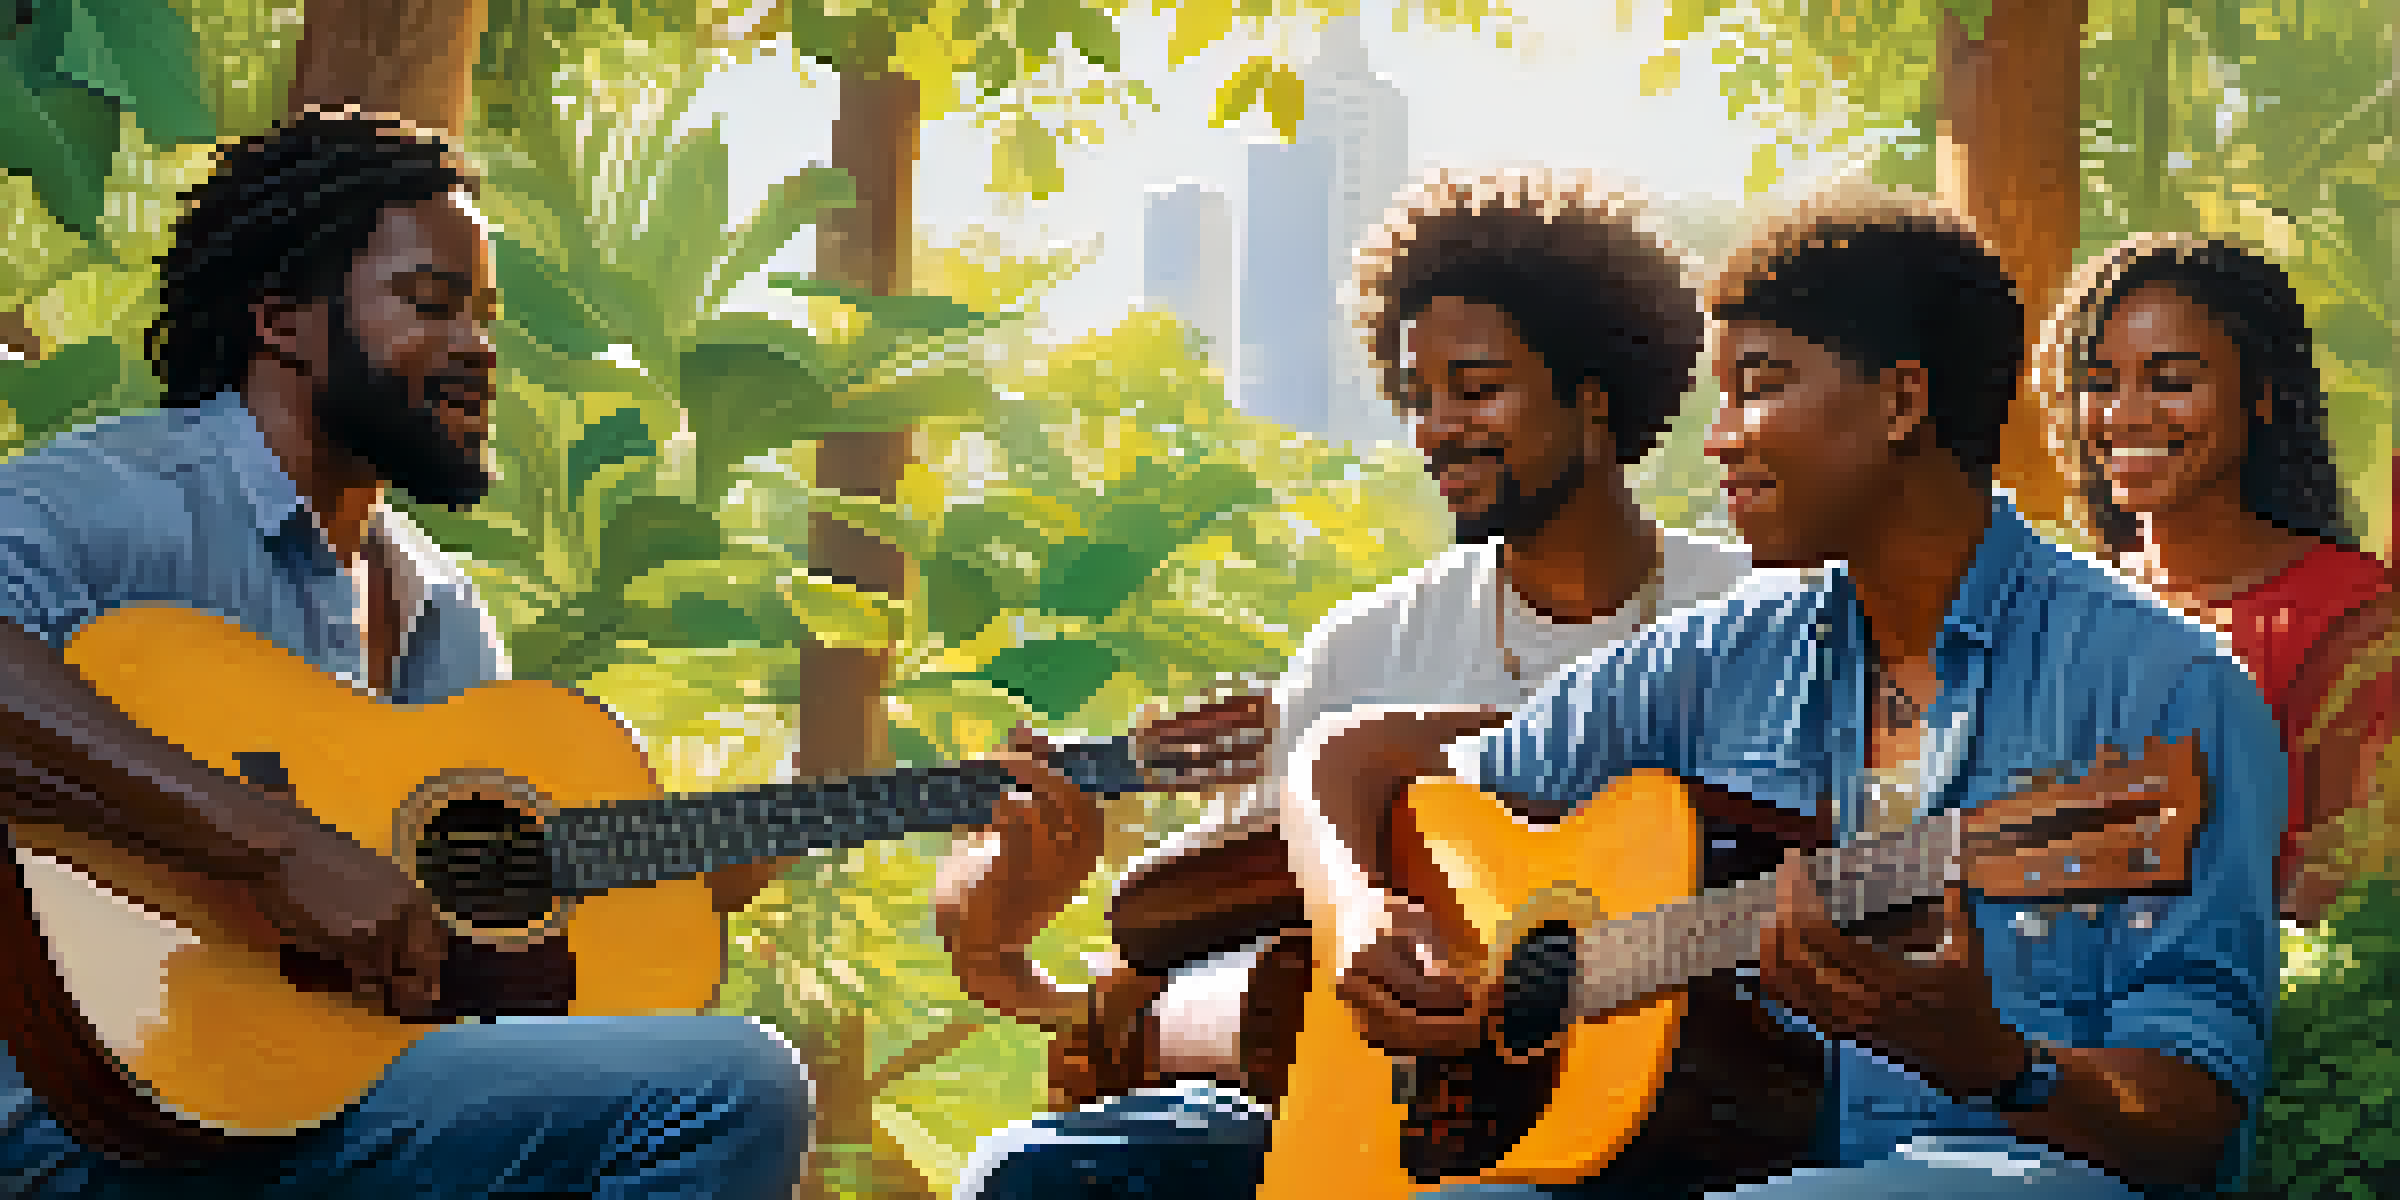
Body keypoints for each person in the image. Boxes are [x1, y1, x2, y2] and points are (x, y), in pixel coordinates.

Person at [0, 106, 1070, 1199]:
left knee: (684, 1080)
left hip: (319, 1112)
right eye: (431, 303)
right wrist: (269, 848)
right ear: (282, 320)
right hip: (80, 1122)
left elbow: (487, 932)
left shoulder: (442, 612)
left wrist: (765, 839)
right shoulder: (124, 501)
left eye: (486, 314)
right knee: (730, 1086)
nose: (477, 346)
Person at [1286, 183, 2286, 1199]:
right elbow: (1359, 757)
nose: (1718, 438)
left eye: (1758, 386)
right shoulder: (1715, 658)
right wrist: (1368, 913)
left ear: (1901, 402)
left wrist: (2002, 1064)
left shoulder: (2167, 691)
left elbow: (2193, 1124)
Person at [940, 167, 1783, 1200]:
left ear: (1594, 396)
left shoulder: (1760, 613)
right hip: (1367, 1122)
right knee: (1033, 1174)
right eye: (1418, 398)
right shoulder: (1365, 646)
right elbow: (1225, 969)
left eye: (1475, 390)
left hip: (1667, 1116)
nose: (1434, 428)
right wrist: (1009, 963)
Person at [2037, 232, 2397, 924]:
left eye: (2172, 382)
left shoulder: (2354, 617)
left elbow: (2335, 906)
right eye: (2101, 383)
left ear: (2260, 396)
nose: (2128, 414)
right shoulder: (2060, 608)